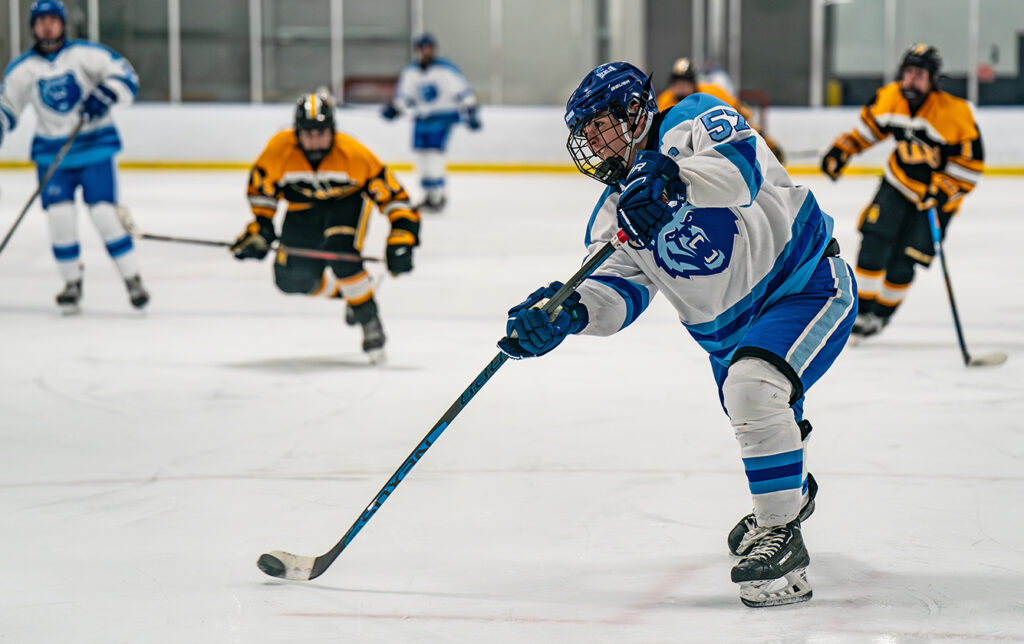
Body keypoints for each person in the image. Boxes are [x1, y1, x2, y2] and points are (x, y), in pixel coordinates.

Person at [498, 62, 856, 607]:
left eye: (601, 126)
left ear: (635, 111)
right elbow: (619, 296)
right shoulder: (614, 213)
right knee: (757, 406)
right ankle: (789, 497)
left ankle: (783, 538)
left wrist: (671, 177)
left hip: (803, 286)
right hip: (728, 337)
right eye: (585, 135)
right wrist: (566, 314)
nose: (592, 144)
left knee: (754, 390)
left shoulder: (691, 119)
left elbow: (741, 169)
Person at [232, 89, 421, 363]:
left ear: (333, 129)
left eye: (321, 131)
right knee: (290, 279)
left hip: (347, 204)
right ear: (296, 133)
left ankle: (368, 318)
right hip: (302, 208)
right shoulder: (278, 151)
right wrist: (261, 228)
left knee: (340, 253)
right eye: (308, 132)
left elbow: (395, 199)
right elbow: (262, 192)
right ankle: (355, 291)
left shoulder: (354, 155)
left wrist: (402, 238)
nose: (315, 139)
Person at [821, 43, 984, 341]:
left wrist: (944, 190)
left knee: (905, 260)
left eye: (919, 74)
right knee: (873, 243)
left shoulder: (954, 113)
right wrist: (841, 151)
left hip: (936, 199)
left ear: (933, 79)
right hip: (898, 183)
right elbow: (868, 130)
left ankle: (881, 316)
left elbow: (971, 165)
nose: (911, 79)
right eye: (908, 72)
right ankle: (860, 313)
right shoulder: (890, 97)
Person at [0, 0, 147, 313]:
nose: (47, 26)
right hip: (52, 154)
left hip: (94, 149)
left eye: (53, 20)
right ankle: (71, 283)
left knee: (104, 216)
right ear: (33, 27)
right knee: (60, 219)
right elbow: (6, 108)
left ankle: (132, 278)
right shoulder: (24, 69)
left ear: (63, 23)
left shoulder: (86, 54)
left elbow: (126, 76)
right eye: (41, 21)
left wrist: (107, 92)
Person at [381, 33, 480, 212]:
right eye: (423, 48)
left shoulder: (446, 69)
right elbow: (405, 96)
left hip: (443, 116)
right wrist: (395, 108)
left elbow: (463, 91)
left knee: (433, 155)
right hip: (423, 118)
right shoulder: (411, 71)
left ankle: (437, 195)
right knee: (421, 155)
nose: (426, 51)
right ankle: (429, 194)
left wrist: (471, 109)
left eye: (429, 48)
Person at [657, 57, 785, 164]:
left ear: (693, 82)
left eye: (685, 82)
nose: (680, 86)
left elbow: (741, 119)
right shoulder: (665, 101)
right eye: (677, 82)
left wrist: (767, 142)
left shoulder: (713, 93)